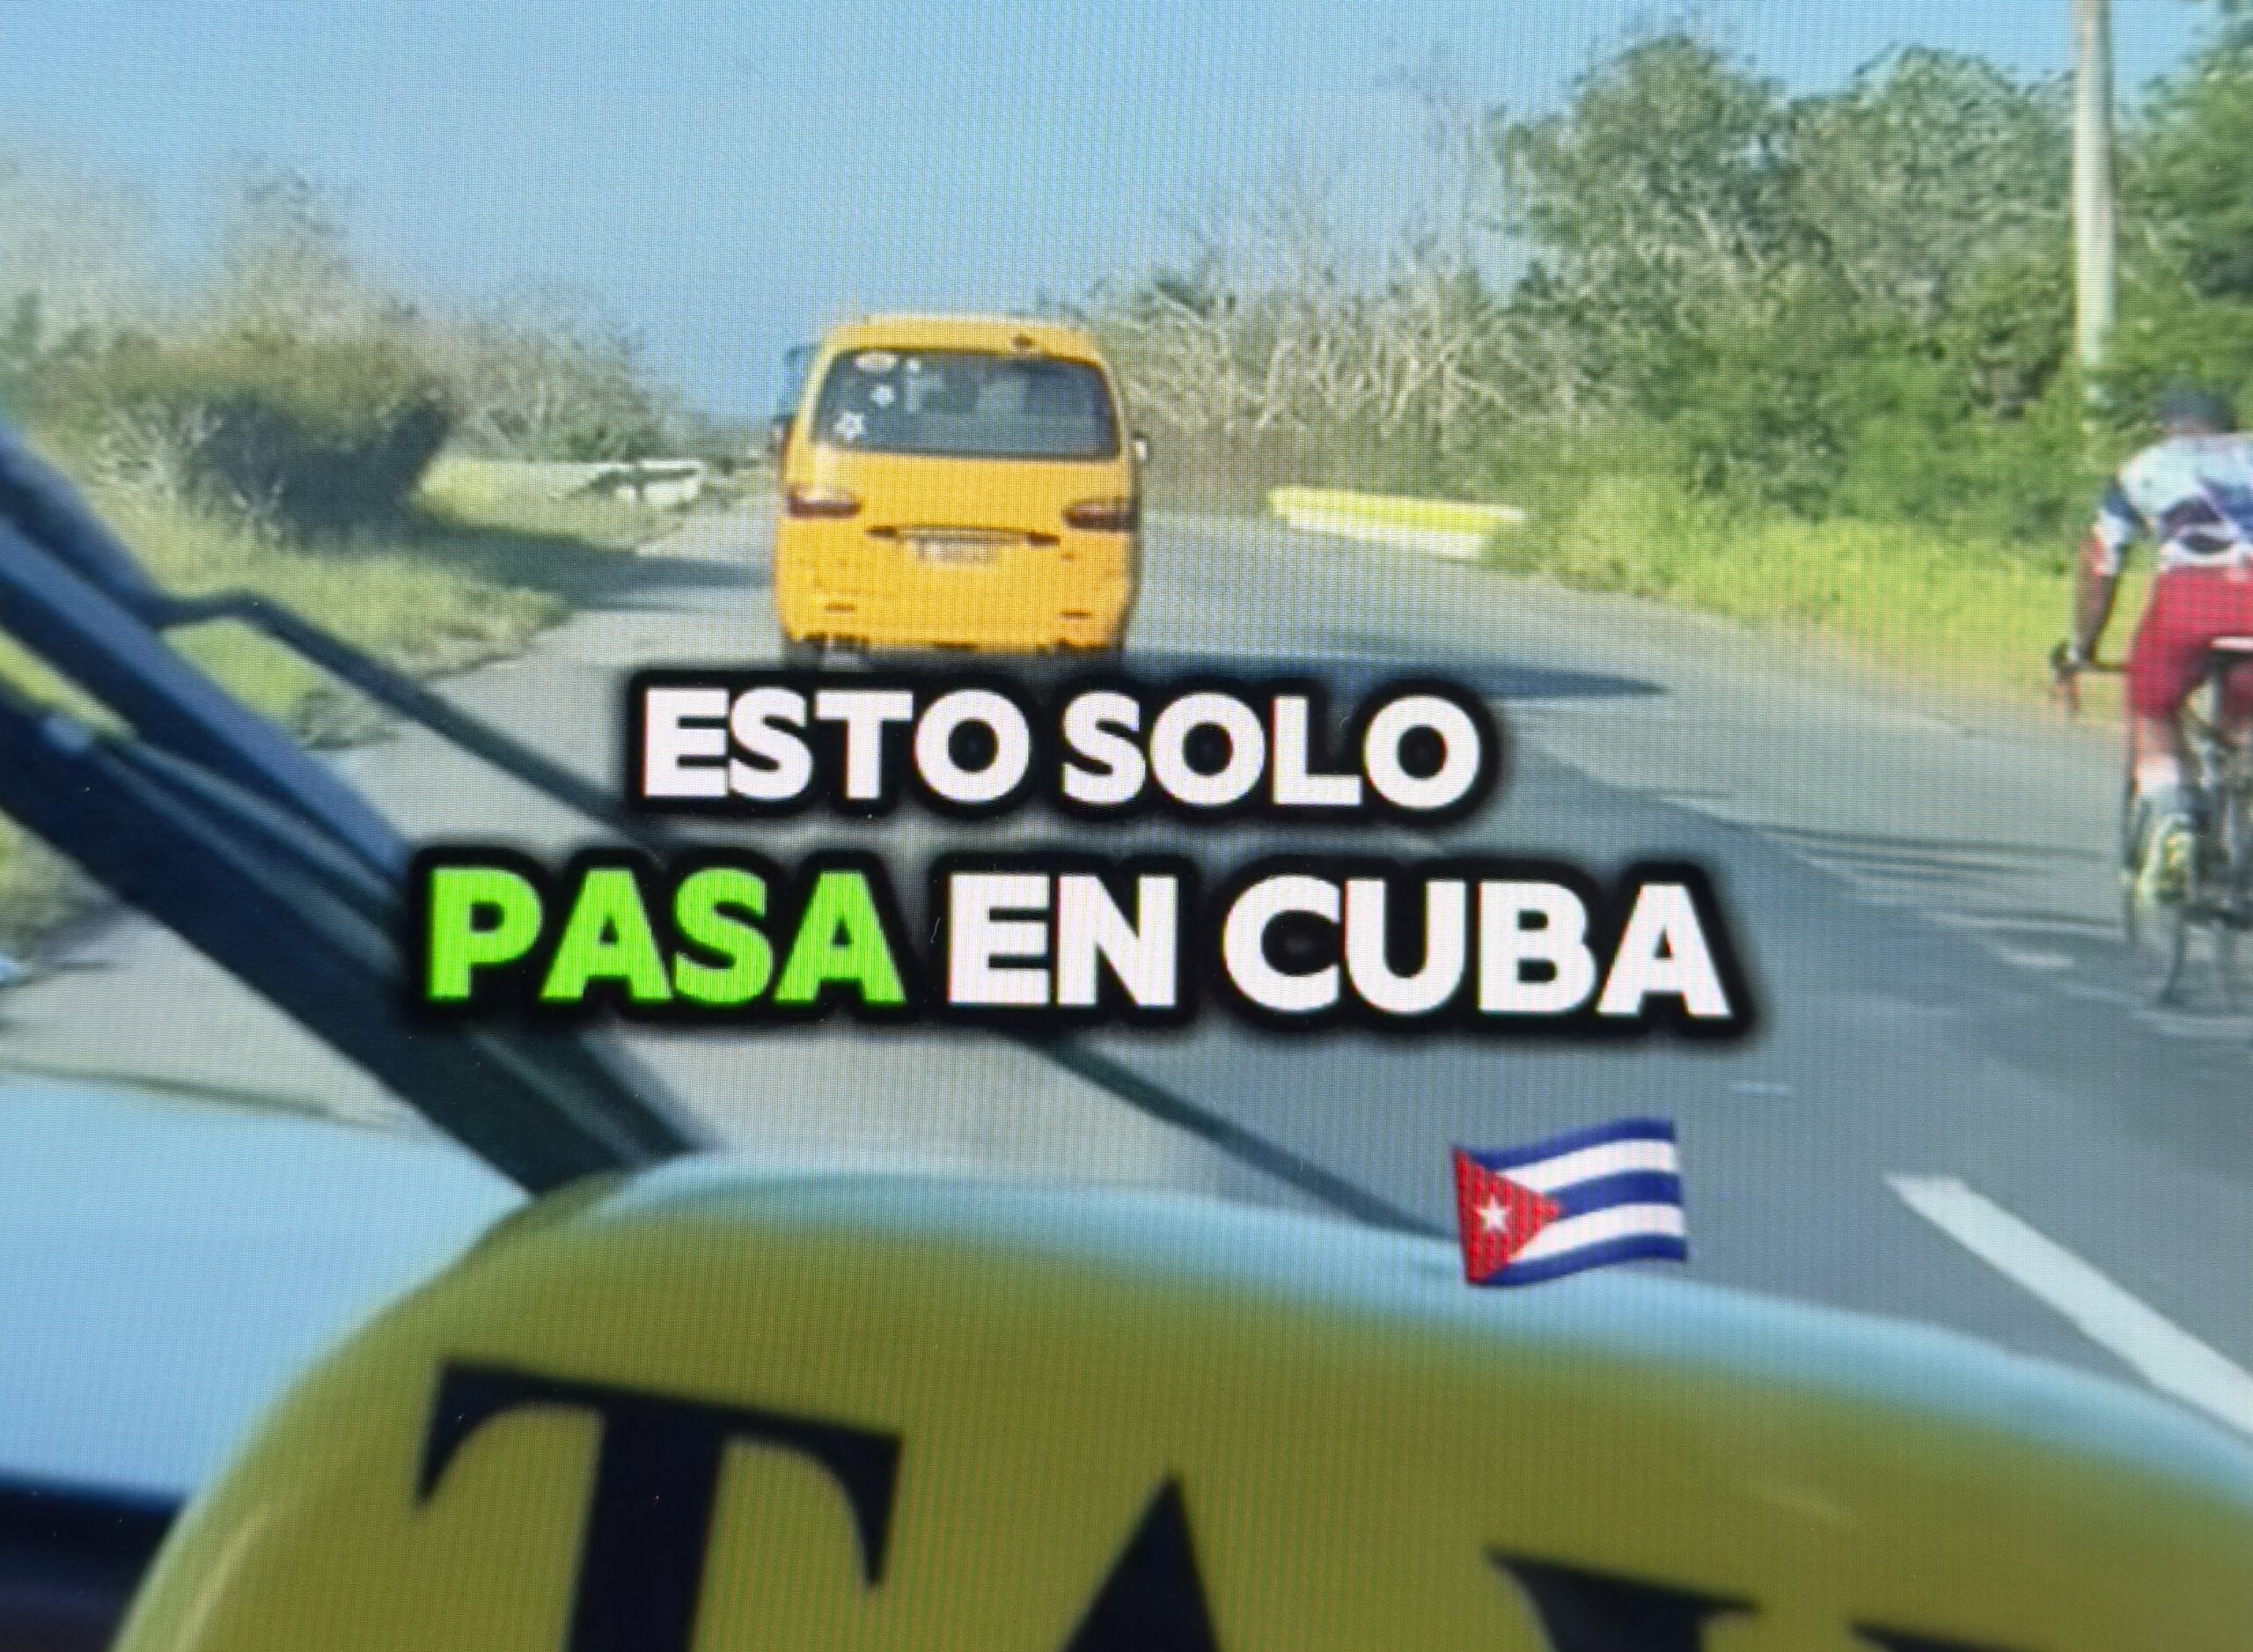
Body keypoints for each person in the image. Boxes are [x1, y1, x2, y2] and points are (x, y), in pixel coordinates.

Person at [2064, 386, 2253, 899]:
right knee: (2242, 719)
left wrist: (2081, 647)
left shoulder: (2147, 465)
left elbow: (2102, 562)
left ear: (2168, 428)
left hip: (2191, 602)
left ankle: (2175, 816)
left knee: (2153, 709)